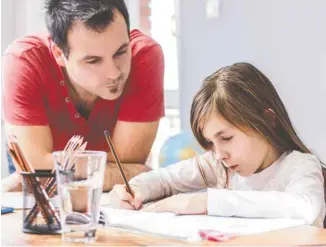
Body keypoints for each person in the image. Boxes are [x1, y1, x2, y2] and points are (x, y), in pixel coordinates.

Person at [109, 62, 325, 227]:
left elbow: (304, 207)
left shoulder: (300, 166)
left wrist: (206, 202)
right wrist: (136, 189)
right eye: (210, 142)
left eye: (226, 138)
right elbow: (165, 179)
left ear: (267, 121)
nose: (219, 153)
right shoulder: (218, 166)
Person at [2, 0, 164, 191]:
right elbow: (34, 171)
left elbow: (127, 163)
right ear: (59, 54)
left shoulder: (144, 55)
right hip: (38, 188)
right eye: (93, 61)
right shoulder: (25, 59)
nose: (114, 74)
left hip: (94, 191)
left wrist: (50, 168)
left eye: (120, 52)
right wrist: (121, 173)